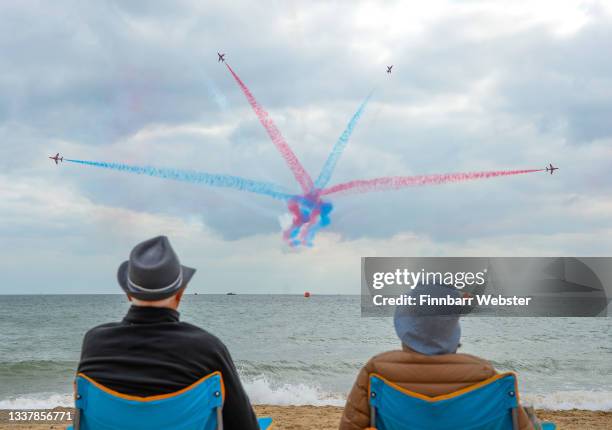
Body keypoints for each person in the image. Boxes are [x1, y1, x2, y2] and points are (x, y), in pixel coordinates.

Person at [77, 235, 259, 430]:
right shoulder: (208, 348)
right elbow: (245, 425)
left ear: (128, 293)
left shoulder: (94, 343)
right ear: (180, 293)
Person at [339, 284, 539, 430]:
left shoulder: (377, 370)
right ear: (452, 327)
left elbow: (349, 427)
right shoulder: (483, 373)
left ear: (404, 326)